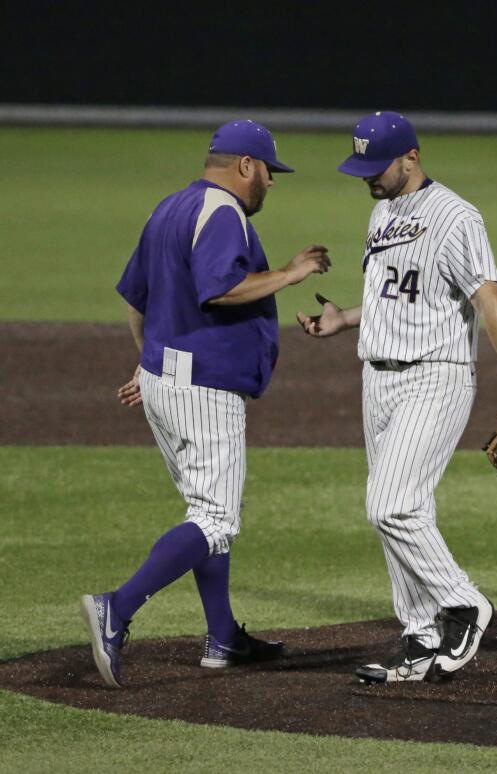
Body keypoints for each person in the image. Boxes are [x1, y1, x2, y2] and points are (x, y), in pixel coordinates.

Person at [81, 120, 331, 688]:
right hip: (203, 388)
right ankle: (115, 609)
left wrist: (149, 363)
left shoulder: (168, 208)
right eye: (269, 171)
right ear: (246, 166)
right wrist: (291, 273)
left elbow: (136, 299)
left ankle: (222, 637)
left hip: (165, 381)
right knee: (216, 519)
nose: (270, 182)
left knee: (204, 511)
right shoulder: (222, 212)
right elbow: (219, 288)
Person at [297, 111, 497, 682]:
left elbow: (490, 305)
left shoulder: (457, 217)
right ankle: (419, 634)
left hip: (435, 375)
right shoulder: (381, 210)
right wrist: (346, 320)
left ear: (411, 156)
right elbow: (398, 296)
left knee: (391, 504)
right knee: (403, 512)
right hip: (376, 378)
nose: (366, 177)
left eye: (374, 165)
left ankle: (465, 605)